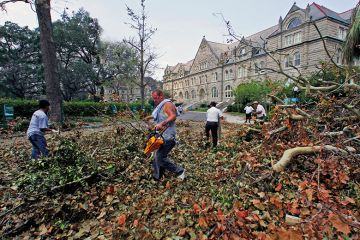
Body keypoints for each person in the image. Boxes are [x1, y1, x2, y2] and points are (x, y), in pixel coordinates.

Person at [144, 90, 185, 181]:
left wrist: (162, 123)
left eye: (156, 98)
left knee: (160, 157)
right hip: (161, 136)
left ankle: (180, 171)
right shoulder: (161, 106)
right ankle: (157, 176)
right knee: (156, 155)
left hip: (168, 137)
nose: (154, 100)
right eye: (153, 98)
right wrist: (149, 117)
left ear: (161, 96)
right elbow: (160, 114)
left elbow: (172, 116)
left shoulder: (167, 104)